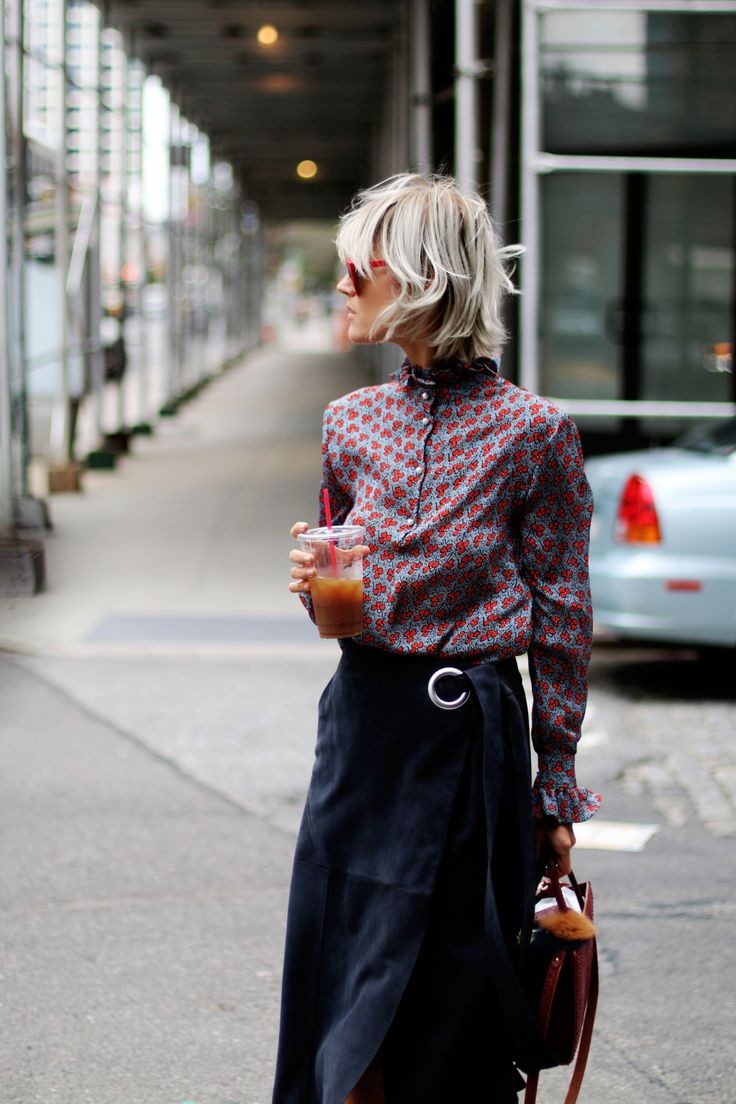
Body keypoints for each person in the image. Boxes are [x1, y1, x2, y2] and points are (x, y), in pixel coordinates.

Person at [272, 173, 601, 1104]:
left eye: (357, 268)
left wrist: (555, 787)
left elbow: (564, 619)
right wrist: (314, 587)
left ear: (421, 278)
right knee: (341, 974)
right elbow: (343, 590)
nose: (342, 284)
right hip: (362, 739)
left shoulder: (536, 434)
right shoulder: (348, 423)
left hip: (470, 748)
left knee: (450, 995)